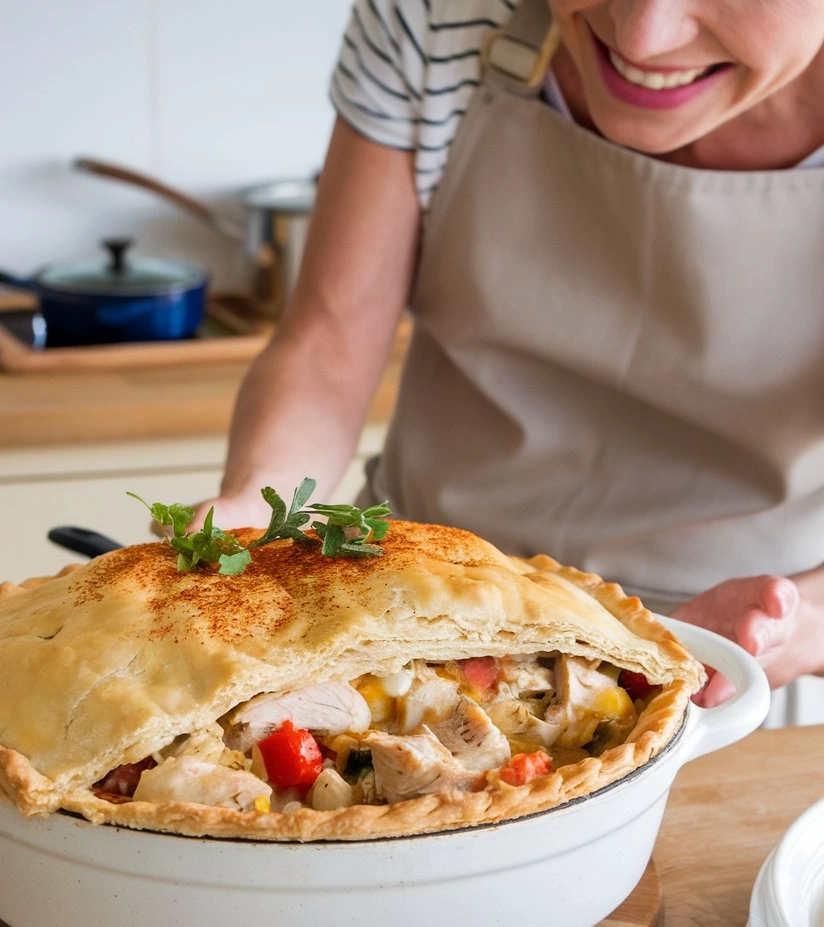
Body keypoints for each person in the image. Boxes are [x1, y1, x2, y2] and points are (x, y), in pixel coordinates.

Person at [195, 0, 824, 714]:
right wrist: (252, 509)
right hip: (412, 631)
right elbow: (328, 341)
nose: (642, 37)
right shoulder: (438, 18)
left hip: (736, 683)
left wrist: (800, 623)